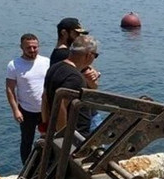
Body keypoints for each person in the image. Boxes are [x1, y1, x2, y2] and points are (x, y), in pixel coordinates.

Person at [42, 35, 100, 137]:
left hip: (53, 130)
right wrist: (64, 138)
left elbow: (44, 98)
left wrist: (45, 126)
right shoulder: (76, 78)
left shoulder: (54, 68)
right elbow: (61, 106)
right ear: (89, 55)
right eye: (95, 55)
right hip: (76, 135)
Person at [6, 33, 50, 164]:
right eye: (28, 48)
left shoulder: (47, 62)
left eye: (35, 47)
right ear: (21, 47)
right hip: (26, 110)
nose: (32, 50)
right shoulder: (14, 65)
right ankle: (26, 167)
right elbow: (9, 89)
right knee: (27, 140)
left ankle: (46, 165)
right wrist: (15, 110)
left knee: (49, 138)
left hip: (45, 110)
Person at [50, 17, 101, 89]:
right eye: (76, 33)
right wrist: (94, 73)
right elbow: (93, 84)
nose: (79, 37)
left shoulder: (56, 53)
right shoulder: (66, 55)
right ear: (64, 33)